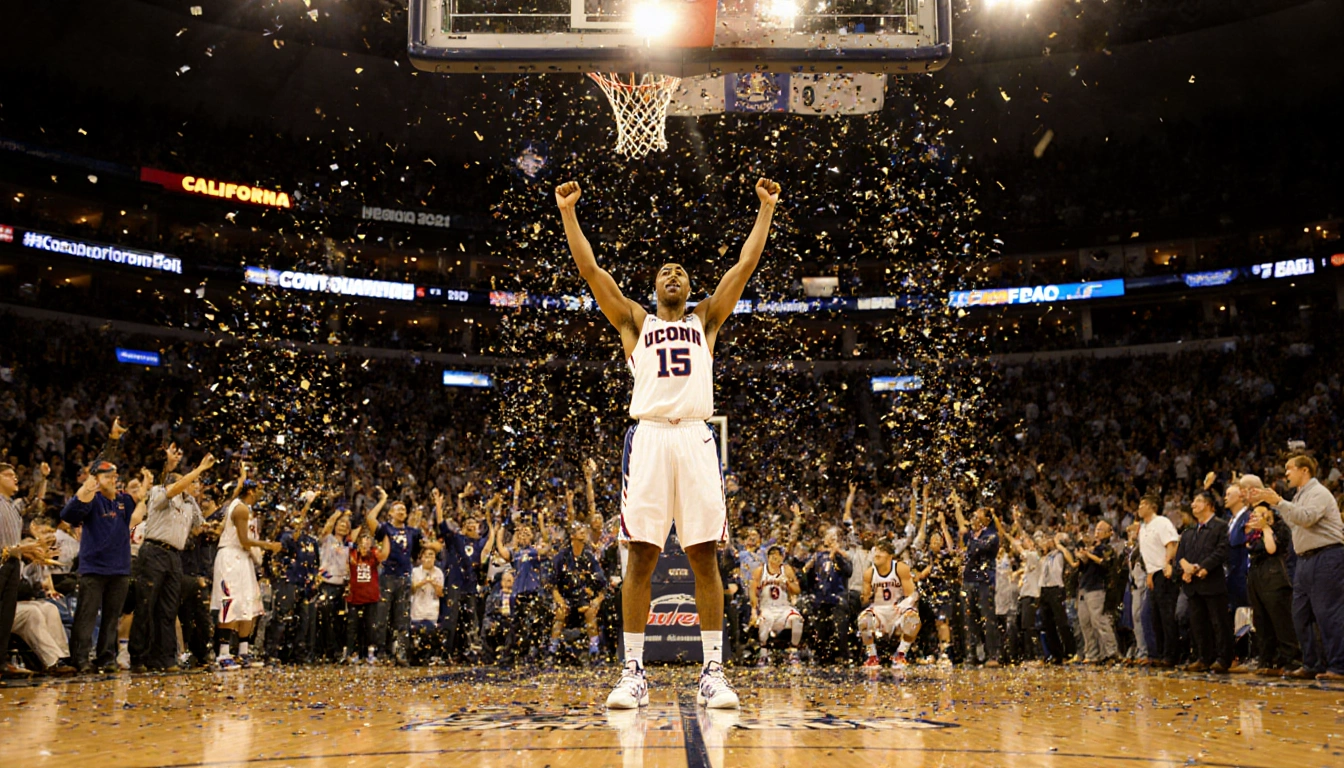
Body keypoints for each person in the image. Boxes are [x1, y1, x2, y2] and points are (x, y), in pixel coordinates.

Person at [556, 176, 780, 710]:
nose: (673, 274)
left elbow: (744, 266)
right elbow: (590, 271)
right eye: (664, 271)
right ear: (655, 287)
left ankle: (713, 673)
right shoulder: (636, 320)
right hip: (651, 438)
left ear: (689, 285)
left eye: (680, 270)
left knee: (705, 558)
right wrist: (568, 213)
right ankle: (633, 672)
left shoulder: (706, 319)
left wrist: (765, 210)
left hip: (698, 438)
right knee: (640, 558)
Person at [1250, 454, 1344, 681]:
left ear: (1305, 470)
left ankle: (1338, 667)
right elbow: (1295, 523)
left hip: (1327, 555)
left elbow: (1307, 518)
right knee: (1299, 614)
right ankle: (1311, 664)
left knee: (1328, 613)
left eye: (1289, 469)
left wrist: (1278, 502)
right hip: (1305, 559)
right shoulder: (1300, 495)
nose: (1286, 474)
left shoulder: (1319, 492)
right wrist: (1272, 515)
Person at [130, 451, 213, 672]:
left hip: (174, 556)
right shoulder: (159, 492)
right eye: (189, 481)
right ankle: (138, 657)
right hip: (154, 552)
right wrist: (199, 469)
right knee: (146, 605)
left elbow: (200, 527)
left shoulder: (189, 504)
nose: (192, 484)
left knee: (168, 610)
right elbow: (174, 489)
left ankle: (165, 659)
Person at [61, 460, 147, 674]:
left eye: (115, 476)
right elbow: (67, 515)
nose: (113, 480)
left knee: (112, 617)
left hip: (120, 568)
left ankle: (106, 657)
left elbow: (136, 515)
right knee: (86, 615)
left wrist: (147, 484)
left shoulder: (124, 501)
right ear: (97, 480)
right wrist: (84, 492)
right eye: (107, 476)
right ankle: (80, 659)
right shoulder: (92, 500)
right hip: (93, 568)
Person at [210, 469, 283, 670]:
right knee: (229, 603)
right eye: (258, 490)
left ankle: (243, 652)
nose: (261, 494)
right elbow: (243, 541)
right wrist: (269, 546)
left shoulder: (243, 508)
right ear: (250, 492)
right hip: (230, 558)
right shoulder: (241, 509)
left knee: (249, 604)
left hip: (243, 559)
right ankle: (223, 654)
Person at [1174, 491, 1233, 672]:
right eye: (1193, 501)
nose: (1193, 505)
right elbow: (1179, 557)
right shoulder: (1188, 532)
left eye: (1197, 501)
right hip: (1193, 585)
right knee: (1198, 624)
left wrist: (1201, 567)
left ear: (1208, 505)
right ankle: (1203, 657)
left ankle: (1223, 659)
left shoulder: (1220, 526)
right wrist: (1185, 569)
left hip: (1212, 582)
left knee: (1218, 622)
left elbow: (1221, 551)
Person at [1, 460, 50, 678]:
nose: (15, 478)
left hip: (12, 563)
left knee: (6, 617)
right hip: (2, 561)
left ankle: (1, 663)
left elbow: (34, 500)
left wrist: (43, 479)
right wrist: (20, 548)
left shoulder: (12, 505)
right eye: (9, 475)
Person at [1244, 503, 1301, 676]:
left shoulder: (1279, 528)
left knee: (1280, 619)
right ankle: (1266, 659)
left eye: (1260, 512)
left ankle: (1291, 660)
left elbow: (1271, 548)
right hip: (1255, 576)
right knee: (1260, 620)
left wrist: (1266, 528)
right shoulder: (1253, 533)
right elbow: (1247, 547)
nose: (1255, 516)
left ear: (1270, 513)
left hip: (1274, 575)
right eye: (1253, 513)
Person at [365, 492, 420, 665]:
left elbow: (417, 552)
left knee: (402, 618)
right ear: (390, 513)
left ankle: (400, 652)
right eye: (398, 509)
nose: (402, 511)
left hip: (404, 578)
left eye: (404, 509)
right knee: (381, 617)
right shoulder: (385, 530)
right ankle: (381, 652)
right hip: (387, 577)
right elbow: (370, 518)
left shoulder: (413, 532)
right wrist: (382, 500)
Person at [1059, 521, 1119, 664]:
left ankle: (1111, 653)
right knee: (1085, 622)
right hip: (1084, 587)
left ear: (1107, 532)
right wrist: (1082, 556)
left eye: (1100, 530)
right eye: (1096, 529)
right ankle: (1092, 654)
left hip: (1097, 587)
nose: (1096, 532)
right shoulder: (1091, 548)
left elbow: (1105, 563)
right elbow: (1080, 566)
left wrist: (1088, 554)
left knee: (1099, 621)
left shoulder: (1106, 548)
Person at [549, 524, 608, 664]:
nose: (583, 533)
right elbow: (552, 585)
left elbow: (602, 585)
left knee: (590, 613)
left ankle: (594, 652)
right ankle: (552, 651)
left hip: (583, 598)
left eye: (584, 531)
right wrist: (560, 601)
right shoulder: (561, 557)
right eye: (580, 531)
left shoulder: (589, 557)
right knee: (560, 614)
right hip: (565, 597)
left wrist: (596, 601)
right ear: (572, 536)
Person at [858, 539, 920, 670]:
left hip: (897, 609)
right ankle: (872, 657)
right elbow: (865, 601)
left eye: (881, 551)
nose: (877, 554)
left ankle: (901, 654)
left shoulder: (901, 568)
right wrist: (865, 596)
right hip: (879, 610)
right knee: (863, 620)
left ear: (890, 556)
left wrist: (904, 606)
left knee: (914, 619)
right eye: (876, 551)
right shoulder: (869, 573)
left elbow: (912, 594)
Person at [1137, 493, 1181, 668]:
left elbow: (1171, 543)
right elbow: (1148, 554)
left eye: (1143, 504)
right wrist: (1149, 573)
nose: (1139, 508)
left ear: (1152, 507)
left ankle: (1171, 655)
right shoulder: (1143, 527)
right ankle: (1159, 653)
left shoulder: (1162, 522)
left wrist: (1168, 563)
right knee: (1153, 616)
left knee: (1167, 615)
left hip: (1164, 571)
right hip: (1152, 573)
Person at [955, 502, 1002, 667]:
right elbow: (962, 526)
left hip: (984, 582)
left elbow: (976, 549)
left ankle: (992, 655)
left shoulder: (992, 535)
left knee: (987, 619)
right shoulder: (972, 535)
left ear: (987, 520)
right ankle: (971, 655)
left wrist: (967, 536)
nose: (973, 519)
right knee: (968, 620)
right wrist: (956, 505)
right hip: (968, 580)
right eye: (973, 516)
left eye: (977, 516)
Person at [749, 544, 803, 667]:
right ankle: (763, 653)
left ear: (782, 558)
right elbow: (753, 592)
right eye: (773, 556)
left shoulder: (787, 570)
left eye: (778, 557)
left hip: (784, 608)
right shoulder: (760, 571)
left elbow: (797, 590)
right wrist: (753, 610)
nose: (775, 559)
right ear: (768, 558)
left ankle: (793, 652)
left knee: (797, 619)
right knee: (765, 619)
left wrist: (787, 582)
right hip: (766, 607)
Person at [345, 529, 389, 664]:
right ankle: (351, 654)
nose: (366, 543)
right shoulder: (351, 554)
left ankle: (369, 654)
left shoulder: (374, 554)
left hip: (371, 598)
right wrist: (359, 525)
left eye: (368, 540)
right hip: (354, 598)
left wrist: (385, 534)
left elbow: (384, 555)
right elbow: (348, 542)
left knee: (370, 627)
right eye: (363, 540)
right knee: (353, 627)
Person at [316, 509, 354, 661]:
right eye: (340, 524)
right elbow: (327, 526)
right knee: (325, 620)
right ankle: (324, 651)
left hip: (341, 585)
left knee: (339, 621)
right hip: (327, 584)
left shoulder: (348, 546)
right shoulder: (327, 539)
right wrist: (338, 513)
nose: (343, 527)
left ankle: (337, 652)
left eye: (346, 525)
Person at [410, 547, 445, 664]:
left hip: (431, 612)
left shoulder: (439, 572)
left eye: (431, 555)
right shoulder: (415, 571)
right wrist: (423, 582)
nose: (429, 559)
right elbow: (411, 590)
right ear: (421, 558)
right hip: (417, 611)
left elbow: (440, 593)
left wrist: (434, 584)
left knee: (431, 633)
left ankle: (429, 657)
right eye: (426, 556)